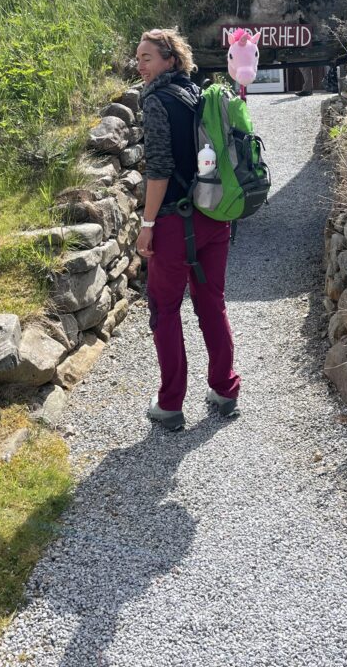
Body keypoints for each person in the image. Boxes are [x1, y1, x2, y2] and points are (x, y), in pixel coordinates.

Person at [135, 28, 241, 431]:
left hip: (173, 223)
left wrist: (147, 224)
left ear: (170, 59)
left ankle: (170, 404)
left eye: (147, 57)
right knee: (212, 303)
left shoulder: (156, 101)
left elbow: (159, 169)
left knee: (165, 309)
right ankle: (225, 391)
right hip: (214, 214)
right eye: (138, 58)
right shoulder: (199, 94)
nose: (140, 65)